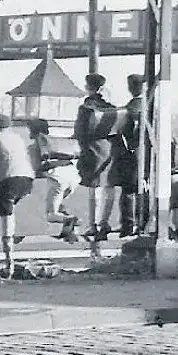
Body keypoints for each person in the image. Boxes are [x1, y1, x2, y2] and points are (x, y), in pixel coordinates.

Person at [0, 114, 35, 278]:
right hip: (26, 179)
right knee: (7, 214)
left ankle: (9, 264)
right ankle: (8, 248)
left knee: (5, 219)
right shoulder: (17, 138)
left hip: (7, 181)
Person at [74, 73, 118, 242]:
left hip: (91, 149)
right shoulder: (110, 108)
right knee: (107, 186)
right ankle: (103, 222)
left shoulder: (85, 108)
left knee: (94, 188)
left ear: (88, 87)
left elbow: (80, 131)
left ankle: (93, 224)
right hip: (107, 149)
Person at [27, 118, 79, 243]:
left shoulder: (34, 146)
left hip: (57, 178)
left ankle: (70, 220)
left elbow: (37, 168)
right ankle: (69, 233)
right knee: (60, 205)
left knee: (51, 215)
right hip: (73, 176)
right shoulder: (55, 142)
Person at [110, 74, 149, 238]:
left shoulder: (131, 108)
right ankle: (144, 224)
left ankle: (127, 225)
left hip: (131, 154)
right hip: (148, 153)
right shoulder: (150, 105)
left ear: (131, 87)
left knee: (128, 191)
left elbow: (123, 130)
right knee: (145, 189)